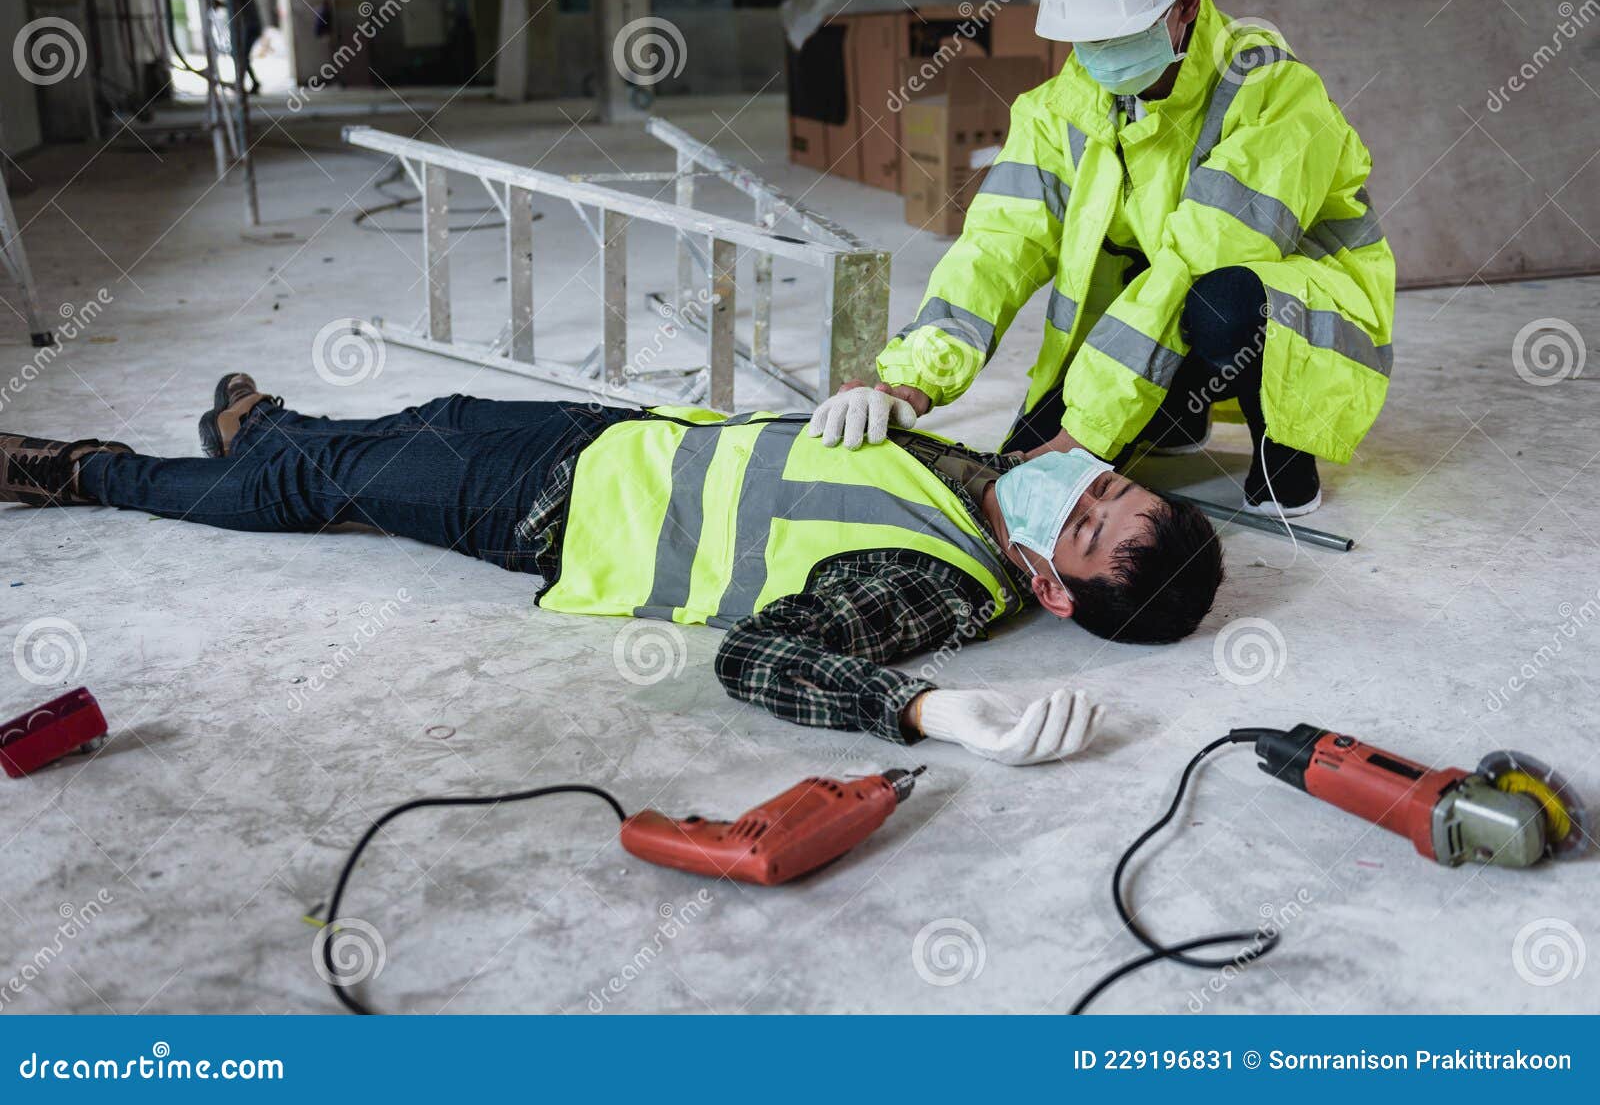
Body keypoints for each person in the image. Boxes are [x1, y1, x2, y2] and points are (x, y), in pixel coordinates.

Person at [2, 372, 1224, 764]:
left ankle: (77, 470)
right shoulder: (992, 487)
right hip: (610, 436)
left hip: (546, 510)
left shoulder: (942, 582)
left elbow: (760, 659)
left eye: (1085, 520)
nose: (1085, 482)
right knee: (405, 423)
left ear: (1051, 591)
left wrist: (926, 706)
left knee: (312, 493)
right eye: (1111, 484)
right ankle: (267, 423)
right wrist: (889, 397)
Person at [811, 0, 1394, 519]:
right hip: (1165, 304)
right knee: (1029, 448)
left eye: (1124, 31)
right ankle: (1175, 416)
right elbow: (995, 248)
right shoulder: (1059, 111)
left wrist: (1080, 438)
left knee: (1223, 302)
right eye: (1089, 37)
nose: (1105, 55)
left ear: (1186, 2)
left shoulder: (1275, 93)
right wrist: (910, 380)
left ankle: (1286, 456)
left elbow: (1194, 261)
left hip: (1302, 312)